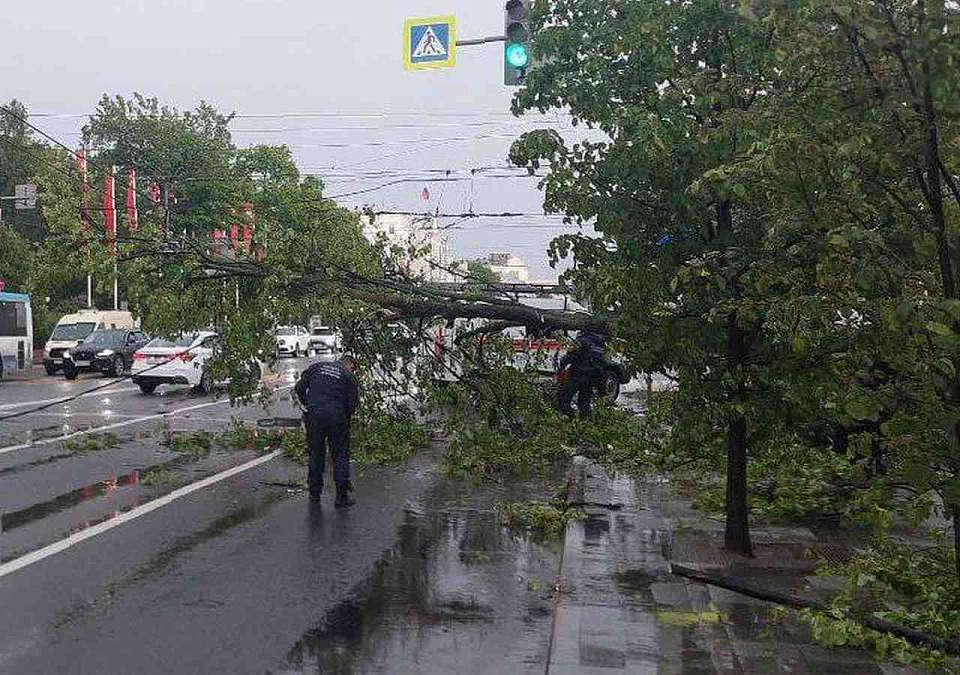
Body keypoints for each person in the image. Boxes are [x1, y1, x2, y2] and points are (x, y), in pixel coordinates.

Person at [295, 355, 360, 508]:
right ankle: (341, 497)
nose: (352, 371)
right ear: (349, 364)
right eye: (353, 369)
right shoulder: (348, 376)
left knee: (316, 454)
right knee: (340, 455)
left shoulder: (317, 367)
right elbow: (353, 403)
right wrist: (345, 418)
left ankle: (314, 494)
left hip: (314, 415)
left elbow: (299, 387)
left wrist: (308, 405)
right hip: (336, 417)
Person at [556, 331, 614, 420]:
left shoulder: (582, 340)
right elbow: (605, 362)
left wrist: (561, 366)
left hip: (578, 374)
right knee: (584, 403)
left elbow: (571, 356)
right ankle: (586, 423)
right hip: (592, 377)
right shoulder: (601, 343)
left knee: (563, 398)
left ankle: (571, 420)